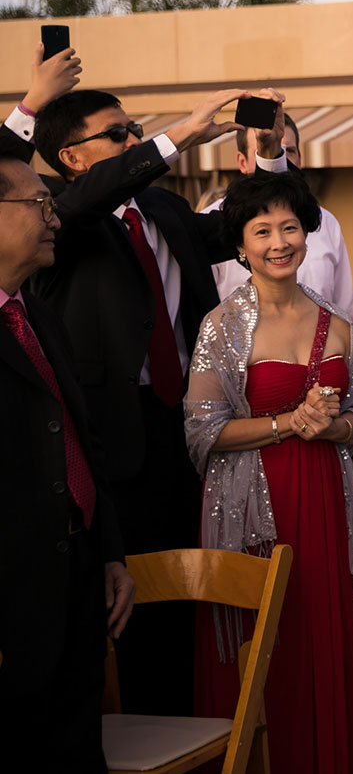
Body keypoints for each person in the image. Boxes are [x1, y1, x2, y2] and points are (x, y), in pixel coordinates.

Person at [18, 49, 247, 716]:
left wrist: (266, 159)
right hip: (119, 441)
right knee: (141, 605)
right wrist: (179, 135)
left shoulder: (161, 209)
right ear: (71, 157)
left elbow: (247, 226)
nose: (133, 142)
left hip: (193, 427)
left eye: (134, 129)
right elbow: (90, 200)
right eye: (117, 135)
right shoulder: (61, 215)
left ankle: (206, 734)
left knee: (200, 597)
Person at [184, 170, 353, 773]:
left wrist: (331, 428)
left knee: (325, 636)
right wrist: (287, 424)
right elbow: (202, 432)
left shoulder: (341, 324)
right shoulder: (219, 326)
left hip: (325, 499)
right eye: (261, 229)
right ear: (239, 244)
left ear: (308, 233)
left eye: (290, 227)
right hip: (252, 506)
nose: (278, 241)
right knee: (270, 644)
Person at [0, 152, 136, 771]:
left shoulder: (40, 316)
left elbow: (84, 444)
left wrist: (108, 551)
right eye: (38, 204)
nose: (53, 218)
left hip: (77, 582)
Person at [198, 106, 353, 324]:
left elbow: (345, 309)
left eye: (288, 151)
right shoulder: (216, 220)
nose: (279, 159)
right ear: (242, 162)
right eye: (264, 148)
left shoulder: (326, 221)